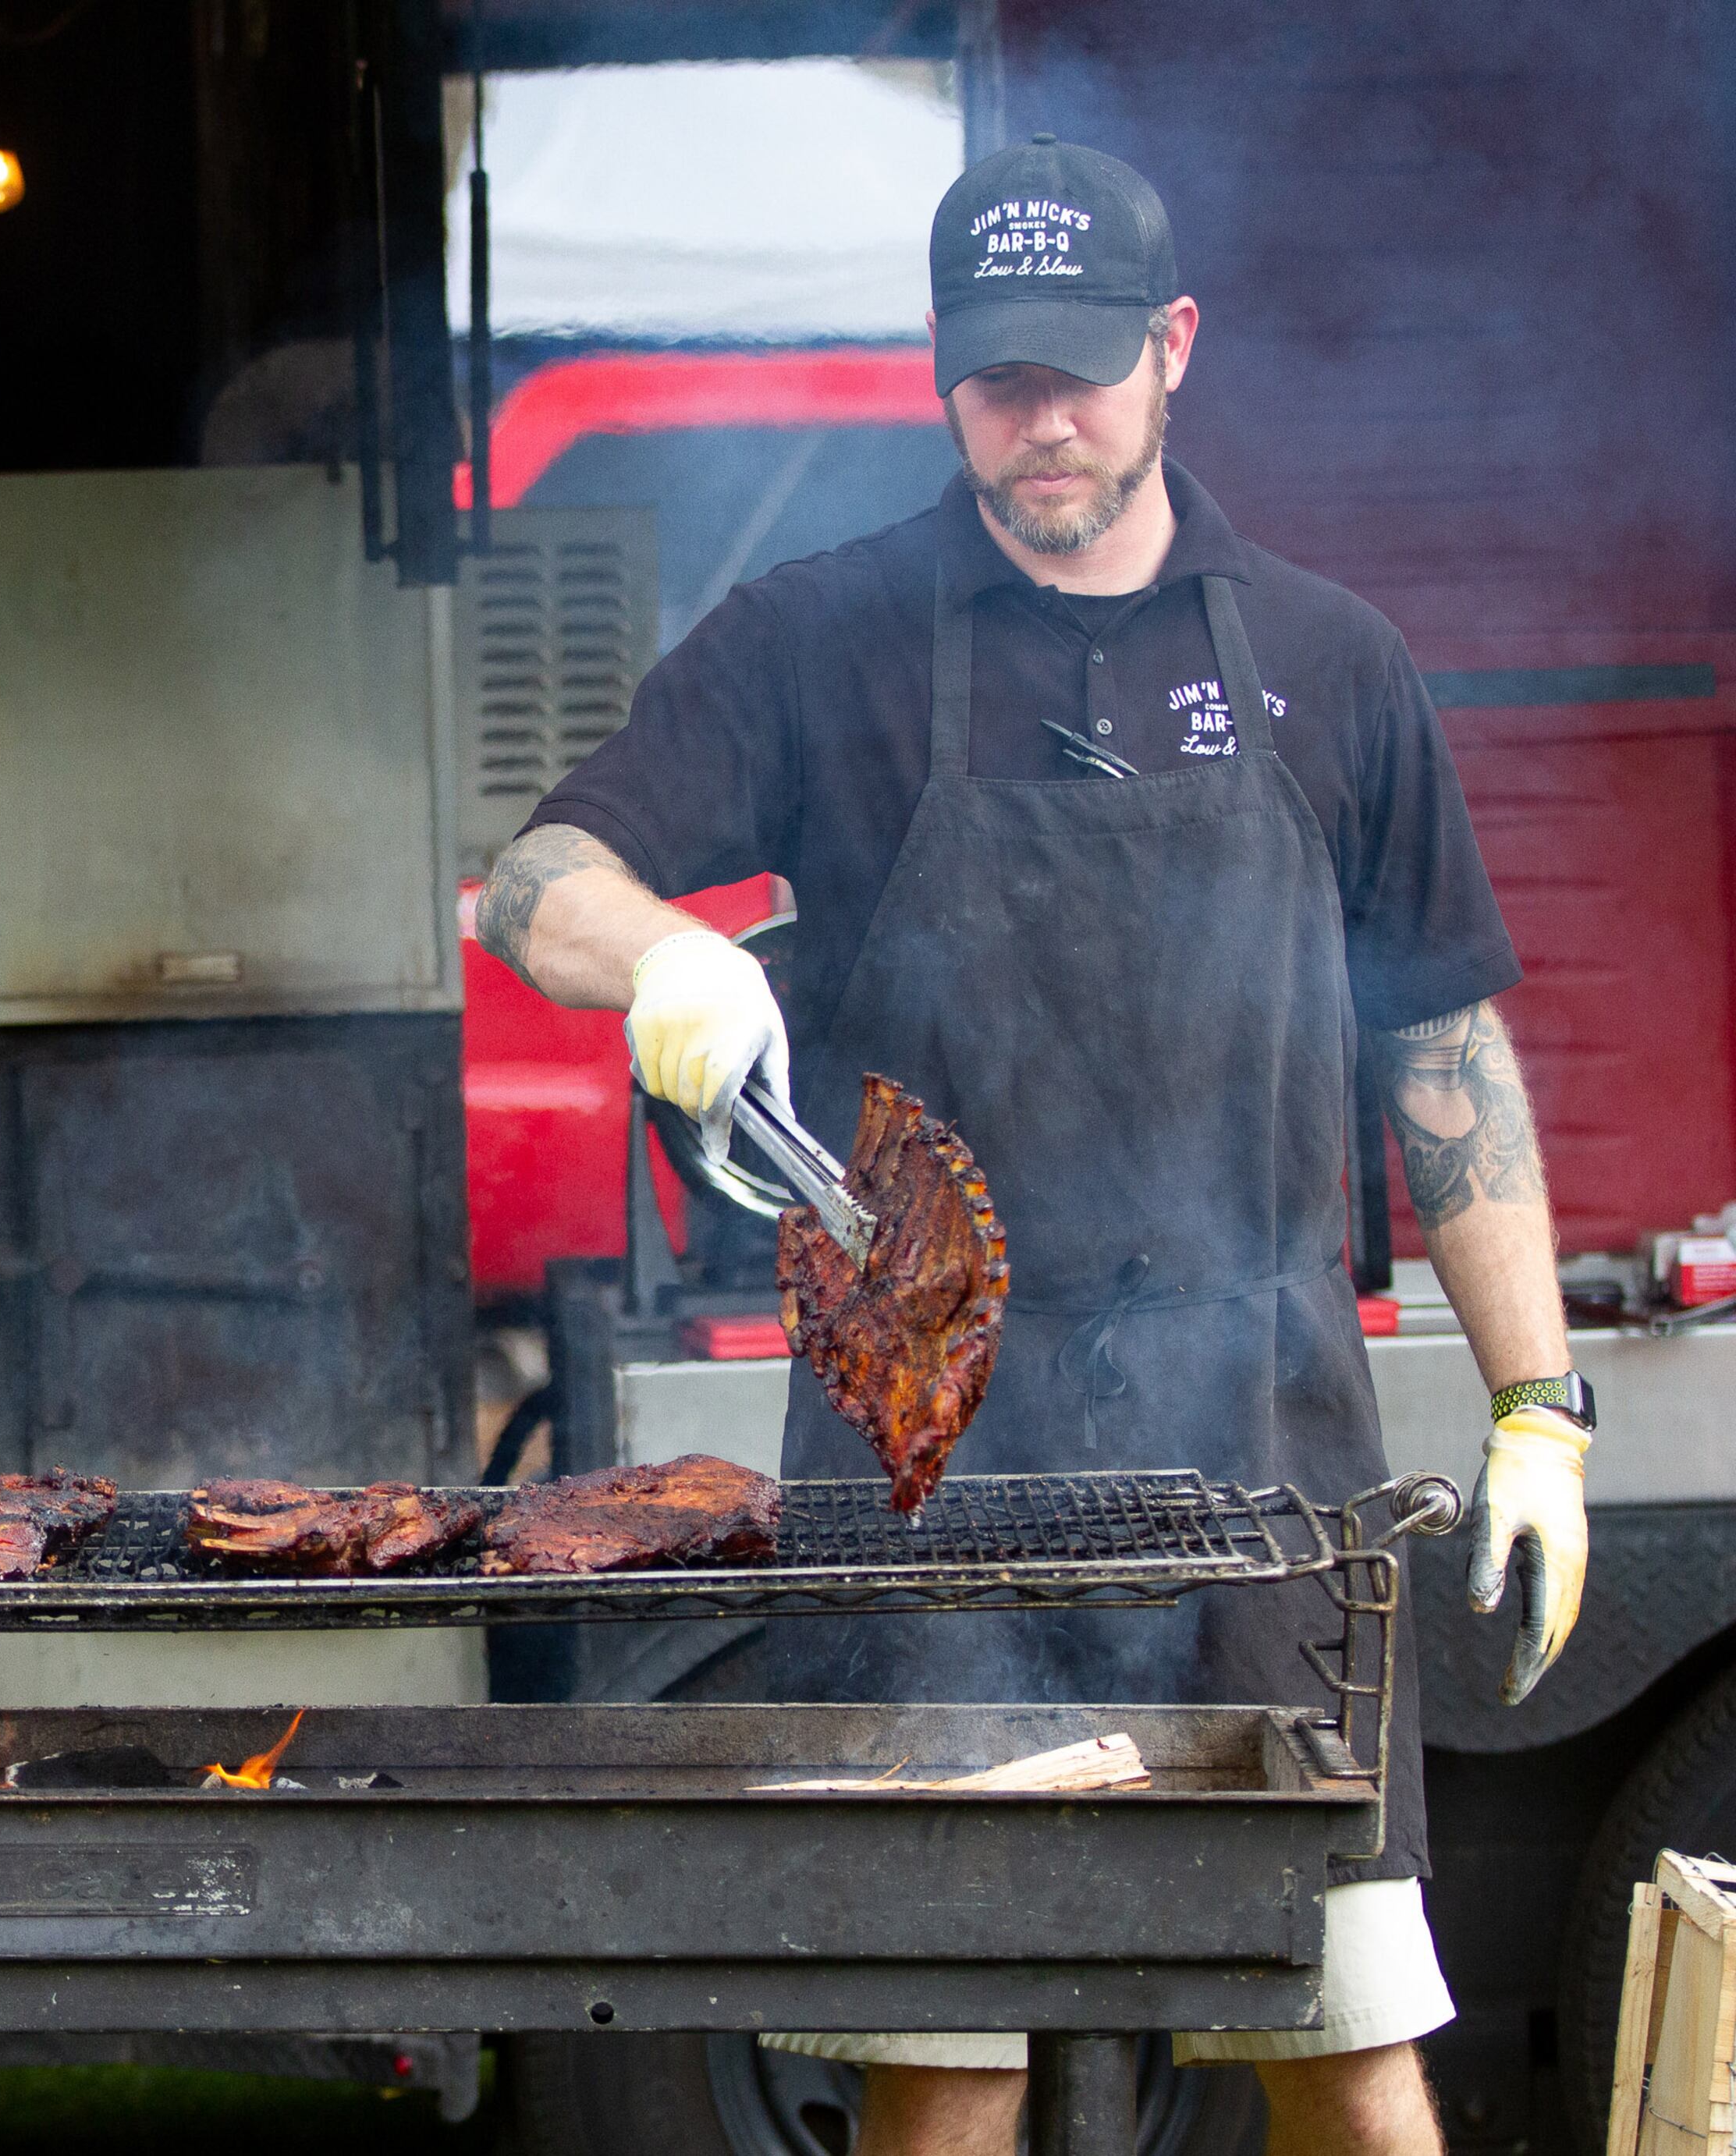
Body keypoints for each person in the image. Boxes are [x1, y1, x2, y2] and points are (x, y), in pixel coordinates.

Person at [475, 135, 1590, 2156]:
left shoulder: (1332, 665)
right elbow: (533, 875)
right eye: (998, 376)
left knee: (1342, 2036)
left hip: (1264, 1469)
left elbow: (1444, 1050)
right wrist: (670, 964)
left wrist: (1543, 1406)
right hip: (934, 1468)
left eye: (1081, 369)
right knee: (950, 2051)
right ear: (940, 369)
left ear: (1175, 349)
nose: (1041, 418)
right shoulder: (830, 639)